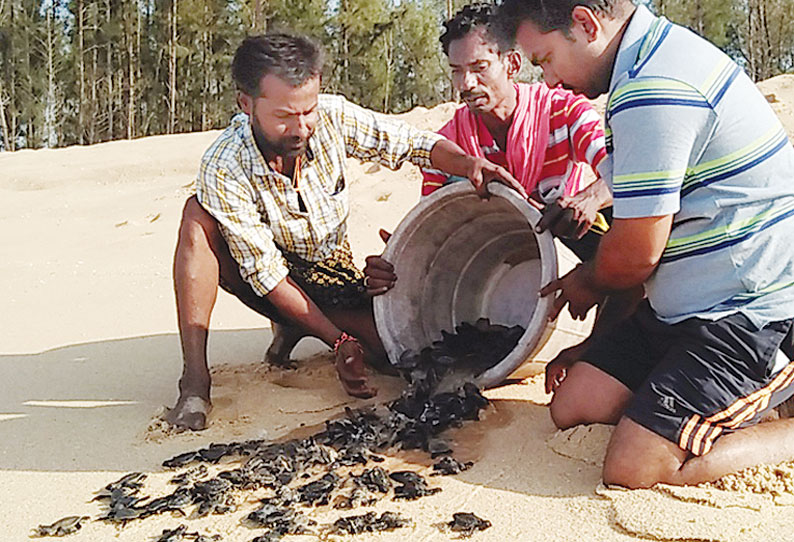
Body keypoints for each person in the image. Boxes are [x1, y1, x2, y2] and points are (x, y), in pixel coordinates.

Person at [495, 0, 794, 488]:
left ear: (585, 24)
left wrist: (587, 279)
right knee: (575, 406)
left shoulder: (654, 88)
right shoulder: (647, 61)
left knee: (634, 467)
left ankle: (779, 401)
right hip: (688, 297)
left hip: (747, 311)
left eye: (545, 59)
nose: (547, 80)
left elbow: (636, 255)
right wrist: (597, 342)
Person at [167, 32, 525, 431]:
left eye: (309, 111)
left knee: (395, 357)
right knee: (196, 216)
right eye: (285, 116)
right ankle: (195, 379)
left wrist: (467, 164)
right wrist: (337, 340)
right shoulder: (224, 164)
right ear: (246, 104)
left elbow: (413, 144)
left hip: (329, 273)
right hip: (258, 277)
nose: (301, 128)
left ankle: (298, 324)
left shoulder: (334, 117)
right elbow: (265, 273)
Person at [363, 1, 611, 297]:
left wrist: (589, 199)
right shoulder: (446, 148)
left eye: (479, 68)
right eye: (456, 71)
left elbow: (622, 171)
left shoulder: (565, 112)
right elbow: (435, 230)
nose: (466, 84)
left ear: (512, 65)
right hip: (494, 276)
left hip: (564, 258)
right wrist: (399, 259)